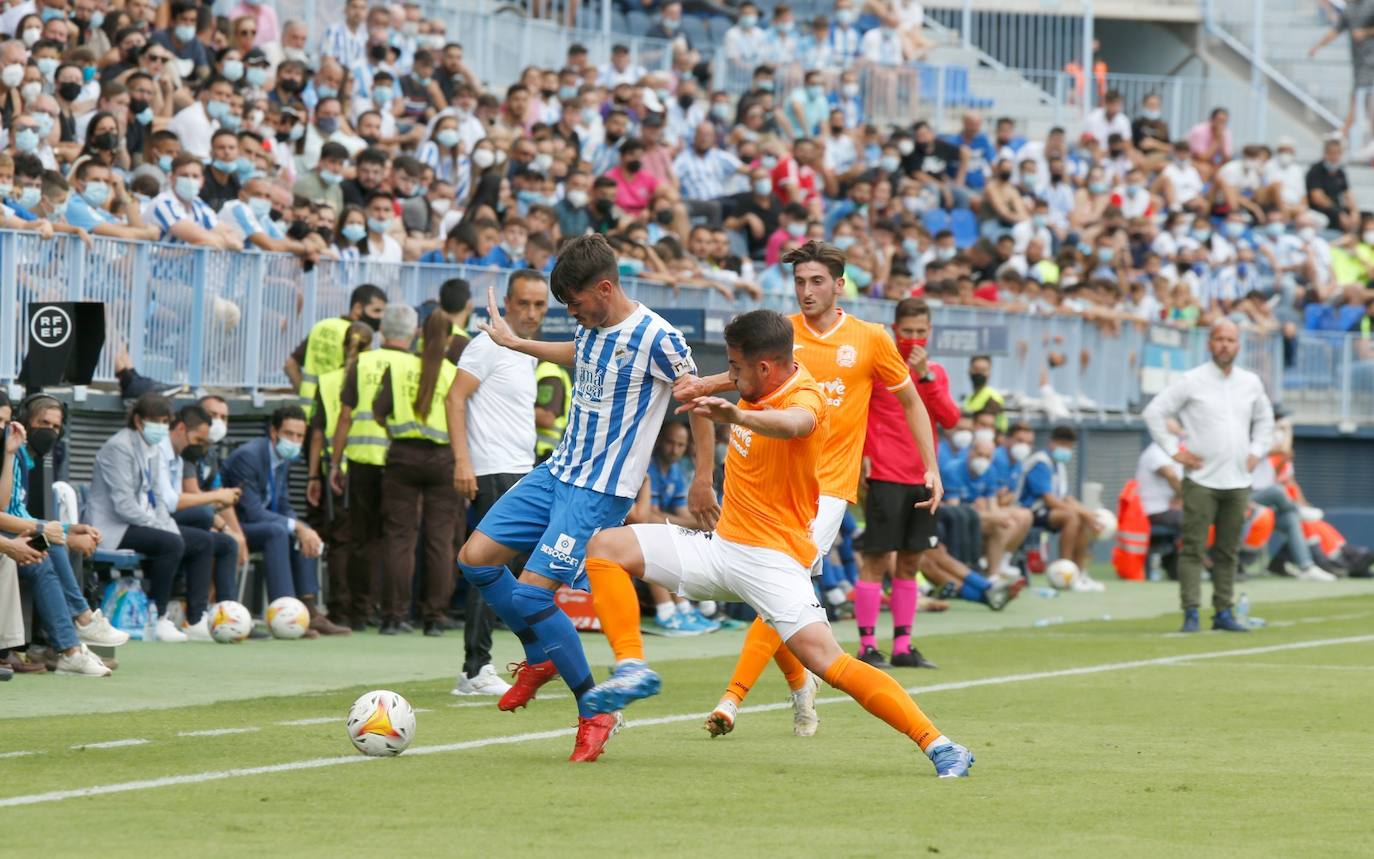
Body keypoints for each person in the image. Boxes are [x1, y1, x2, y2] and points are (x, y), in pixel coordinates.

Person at [578, 309, 975, 778]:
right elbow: (732, 386)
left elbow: (794, 424)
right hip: (720, 549)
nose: (730, 374)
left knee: (829, 662)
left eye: (735, 368)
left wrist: (737, 415)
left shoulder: (804, 398)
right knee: (606, 546)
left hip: (774, 562)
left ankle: (941, 745)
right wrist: (708, 389)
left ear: (764, 369)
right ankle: (631, 668)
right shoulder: (758, 380)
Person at [454, 233, 712, 763]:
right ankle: (540, 655)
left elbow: (699, 399)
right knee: (474, 561)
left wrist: (702, 477)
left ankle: (595, 710)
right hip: (556, 472)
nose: (570, 312)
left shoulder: (657, 337)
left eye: (574, 303)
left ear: (605, 287)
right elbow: (581, 352)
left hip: (598, 490)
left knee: (529, 597)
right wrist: (515, 343)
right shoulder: (591, 325)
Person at [671, 239, 942, 734]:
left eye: (817, 281)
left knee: (773, 585)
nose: (806, 291)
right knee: (772, 595)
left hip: (828, 489)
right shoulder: (782, 335)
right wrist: (703, 385)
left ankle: (732, 699)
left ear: (840, 285)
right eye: (799, 282)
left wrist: (932, 466)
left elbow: (910, 402)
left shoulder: (871, 338)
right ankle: (801, 683)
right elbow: (742, 376)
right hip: (770, 487)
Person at [447, 269, 550, 693]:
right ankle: (475, 669)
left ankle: (517, 659)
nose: (530, 312)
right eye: (523, 303)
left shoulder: (525, 351)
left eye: (539, 305)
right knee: (487, 565)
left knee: (508, 568)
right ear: (507, 301)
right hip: (491, 468)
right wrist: (462, 462)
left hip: (518, 469)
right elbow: (454, 397)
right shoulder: (487, 343)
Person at [1143, 320, 1275, 633]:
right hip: (1202, 479)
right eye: (1219, 339)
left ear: (1238, 345)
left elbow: (1265, 420)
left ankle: (1223, 611)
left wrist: (1257, 450)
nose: (1225, 345)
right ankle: (1191, 611)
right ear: (1209, 343)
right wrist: (1174, 450)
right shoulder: (1193, 380)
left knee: (1228, 551)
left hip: (1238, 480)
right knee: (1193, 547)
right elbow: (1154, 412)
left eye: (1230, 339)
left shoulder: (1250, 382)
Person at [858, 298, 960, 669]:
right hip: (885, 474)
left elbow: (949, 417)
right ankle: (867, 645)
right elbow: (861, 413)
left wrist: (927, 378)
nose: (914, 339)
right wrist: (866, 454)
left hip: (923, 476)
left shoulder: (935, 372)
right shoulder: (879, 368)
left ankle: (902, 646)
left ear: (929, 332)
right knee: (876, 559)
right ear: (894, 330)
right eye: (907, 332)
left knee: (911, 561)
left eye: (921, 332)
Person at [329, 305, 420, 634]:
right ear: (412, 332)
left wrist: (335, 462)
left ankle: (359, 610)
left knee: (361, 537)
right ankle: (394, 612)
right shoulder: (417, 365)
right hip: (402, 458)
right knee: (398, 539)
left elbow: (344, 415)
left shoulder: (362, 362)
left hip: (361, 458)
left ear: (382, 331)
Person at [374, 310, 464, 637]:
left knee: (400, 537)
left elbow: (378, 411)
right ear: (450, 340)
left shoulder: (398, 368)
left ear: (419, 334)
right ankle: (435, 618)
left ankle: (394, 616)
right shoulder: (453, 372)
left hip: (402, 455)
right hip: (443, 458)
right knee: (440, 541)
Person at [86, 394, 200, 642]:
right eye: (155, 421)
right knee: (171, 543)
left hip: (138, 522)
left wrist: (165, 524)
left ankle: (198, 618)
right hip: (112, 526)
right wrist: (160, 527)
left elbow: (158, 496)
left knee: (202, 541)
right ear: (138, 421)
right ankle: (158, 617)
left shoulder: (153, 449)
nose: (161, 427)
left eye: (165, 421)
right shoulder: (119, 447)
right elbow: (123, 505)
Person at [222, 405, 344, 635]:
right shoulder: (249, 456)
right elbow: (252, 511)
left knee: (302, 530)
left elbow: (284, 504)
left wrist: (302, 528)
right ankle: (285, 615)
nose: (295, 441)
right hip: (235, 526)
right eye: (289, 434)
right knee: (280, 531)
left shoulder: (284, 459)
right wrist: (295, 526)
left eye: (300, 436)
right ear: (274, 432)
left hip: (262, 525)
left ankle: (308, 610)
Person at [306, 320, 377, 630]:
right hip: (369, 464)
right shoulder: (375, 373)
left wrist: (314, 476)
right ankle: (365, 609)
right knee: (369, 541)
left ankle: (339, 608)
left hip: (336, 468)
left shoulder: (328, 381)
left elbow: (318, 433)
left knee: (340, 542)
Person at [154, 404, 241, 641]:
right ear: (181, 428)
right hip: (152, 520)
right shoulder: (159, 451)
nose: (201, 446)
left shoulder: (180, 456)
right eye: (198, 440)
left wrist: (225, 524)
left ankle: (225, 617)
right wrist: (215, 498)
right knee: (203, 525)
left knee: (225, 544)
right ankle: (180, 616)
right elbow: (170, 501)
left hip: (167, 520)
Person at [284, 283, 387, 415]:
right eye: (377, 311)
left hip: (307, 411)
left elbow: (290, 365)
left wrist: (305, 393)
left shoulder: (322, 326)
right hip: (335, 412)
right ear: (357, 308)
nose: (381, 317)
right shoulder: (359, 336)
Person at [1015, 425, 1101, 575]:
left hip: (1048, 511)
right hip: (1030, 510)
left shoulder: (1059, 465)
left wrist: (1087, 513)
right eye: (1063, 445)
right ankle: (1064, 571)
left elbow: (1066, 497)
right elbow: (1049, 500)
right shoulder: (1041, 463)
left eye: (1069, 446)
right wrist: (1079, 513)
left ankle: (1080, 572)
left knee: (1081, 518)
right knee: (1071, 517)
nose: (1066, 450)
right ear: (1052, 443)